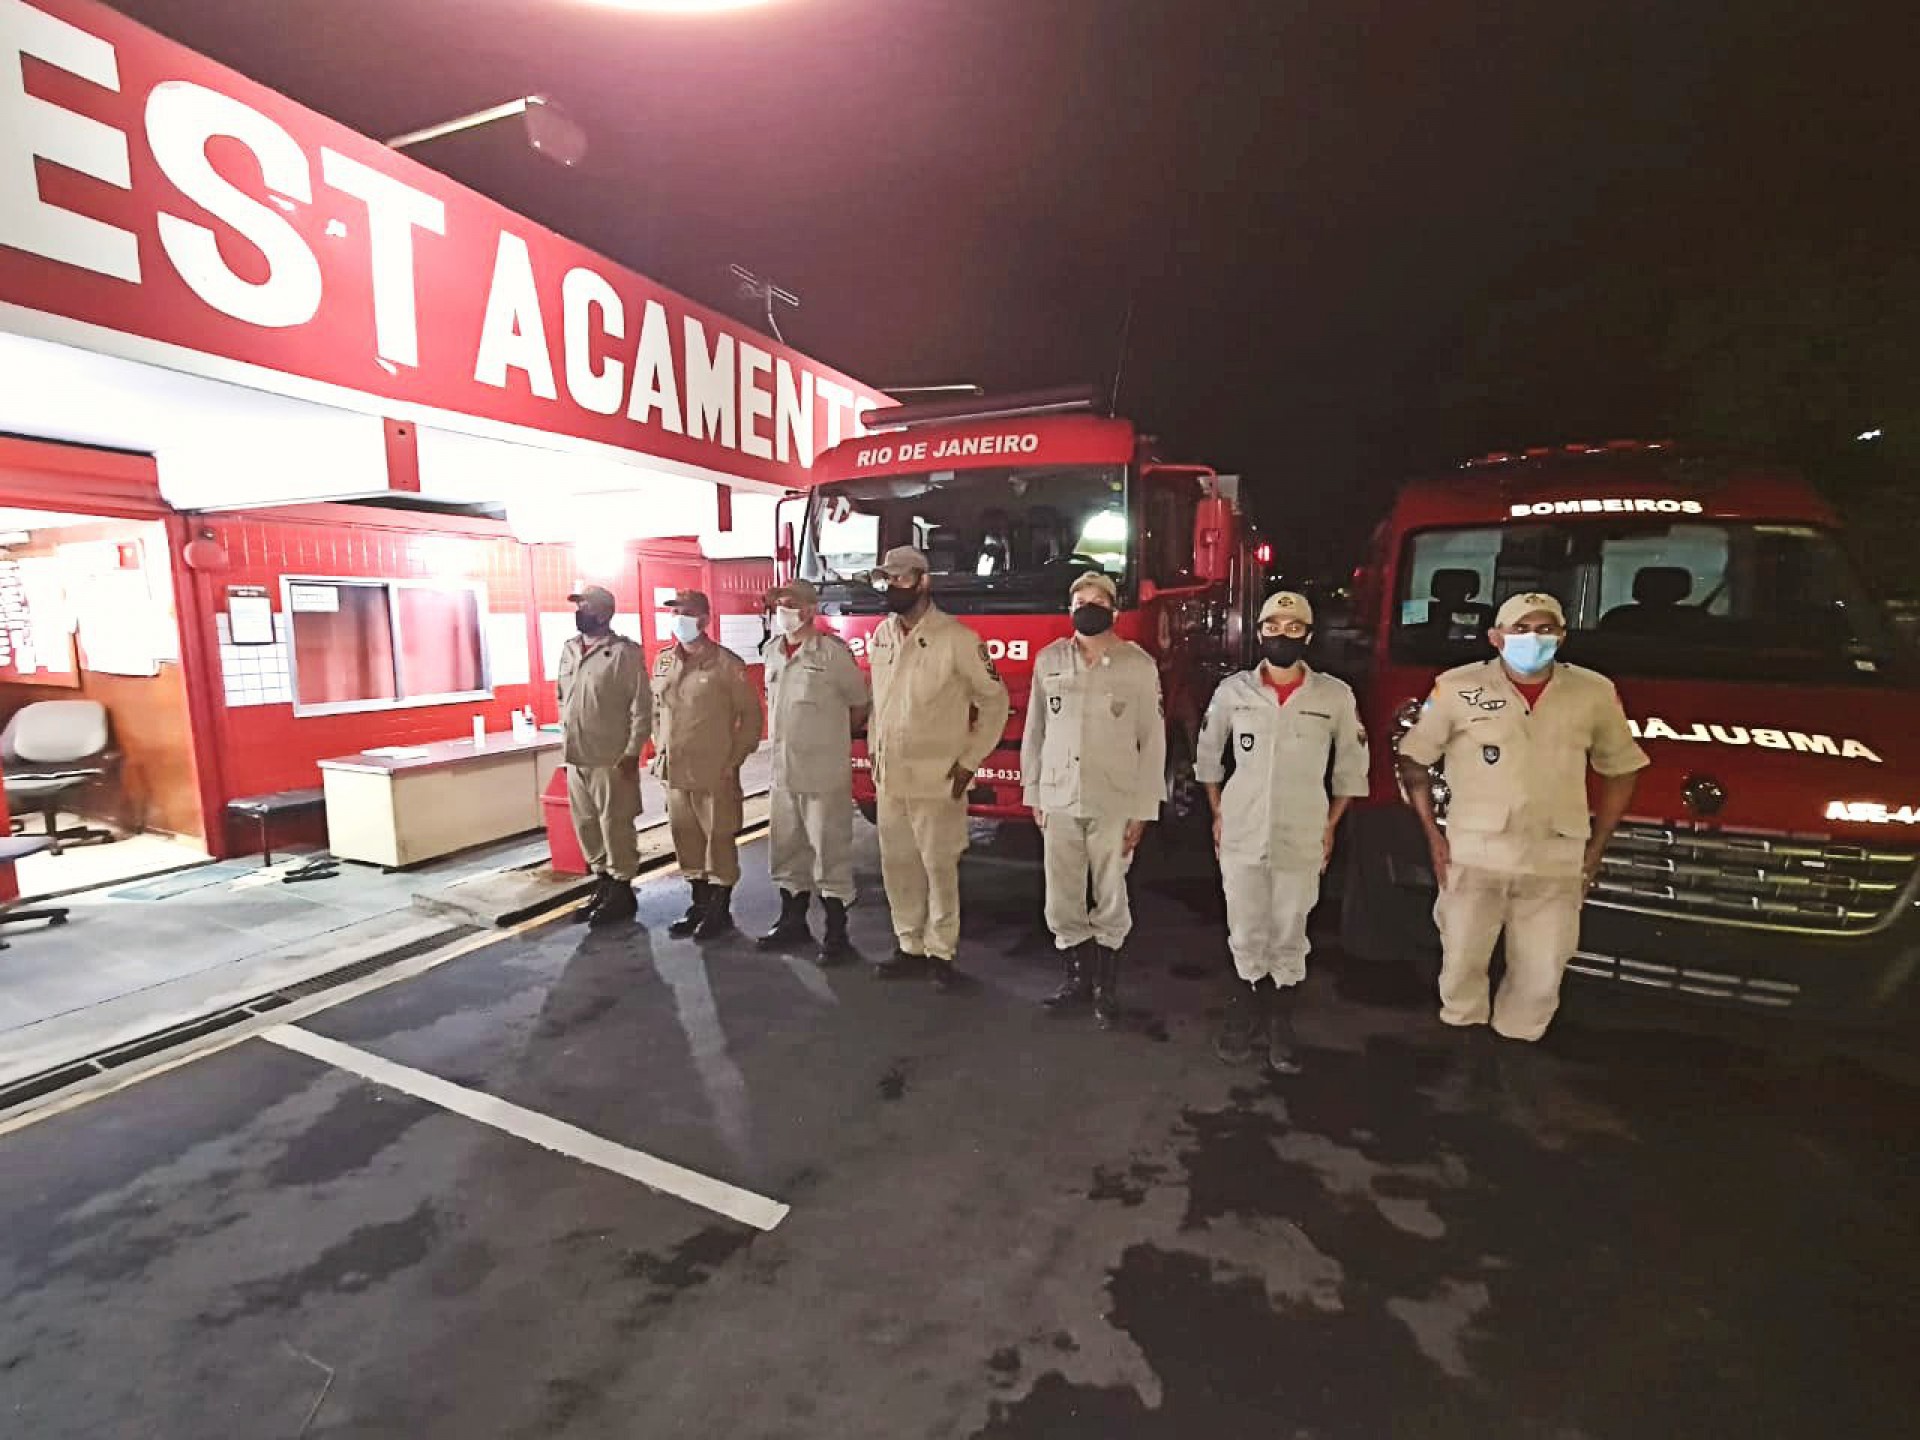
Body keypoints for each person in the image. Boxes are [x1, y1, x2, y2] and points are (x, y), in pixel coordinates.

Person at [1395, 591, 1648, 1053]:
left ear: (1563, 635)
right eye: (1521, 629)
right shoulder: (1455, 686)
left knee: (1542, 972)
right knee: (1460, 964)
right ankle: (1461, 1052)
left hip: (1554, 855)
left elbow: (1622, 769)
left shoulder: (1593, 692)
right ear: (1496, 637)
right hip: (1473, 852)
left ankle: (1512, 1058)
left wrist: (1597, 848)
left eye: (1546, 628)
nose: (1534, 638)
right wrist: (1433, 834)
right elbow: (1414, 759)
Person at [1196, 591, 1369, 1073]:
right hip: (1242, 826)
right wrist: (1216, 812)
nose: (1282, 635)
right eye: (1273, 626)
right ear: (1259, 633)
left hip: (1303, 828)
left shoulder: (1333, 695)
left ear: (1309, 636)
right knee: (1246, 926)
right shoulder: (1234, 692)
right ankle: (1245, 1012)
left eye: (1294, 628)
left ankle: (1281, 1021)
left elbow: (1352, 769)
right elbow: (1209, 756)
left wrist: (1332, 825)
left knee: (1291, 927)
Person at [1020, 571, 1166, 1028]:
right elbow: (1035, 732)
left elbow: (1153, 741)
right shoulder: (1049, 661)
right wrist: (1034, 792)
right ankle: (1076, 981)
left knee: (1110, 895)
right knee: (1061, 898)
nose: (1087, 606)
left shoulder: (1138, 665)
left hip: (1114, 800)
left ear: (1114, 610)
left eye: (1097, 600)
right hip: (1060, 797)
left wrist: (1143, 809)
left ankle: (1107, 987)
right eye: (1078, 599)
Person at [865, 545, 1011, 990]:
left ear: (924, 581)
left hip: (938, 778)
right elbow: (881, 704)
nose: (891, 587)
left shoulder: (958, 640)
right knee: (898, 866)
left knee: (939, 868)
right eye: (885, 579)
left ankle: (941, 952)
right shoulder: (881, 635)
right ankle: (908, 945)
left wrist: (970, 761)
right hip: (891, 777)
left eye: (901, 578)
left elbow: (995, 701)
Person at [757, 578, 870, 962]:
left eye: (787, 603)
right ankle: (792, 922)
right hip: (783, 773)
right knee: (787, 851)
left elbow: (858, 704)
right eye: (776, 604)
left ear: (807, 609)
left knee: (830, 852)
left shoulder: (832, 653)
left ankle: (837, 935)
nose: (780, 611)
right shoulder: (772, 651)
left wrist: (829, 740)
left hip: (823, 774)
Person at [650, 590, 764, 940]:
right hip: (675, 770)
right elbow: (657, 710)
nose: (678, 619)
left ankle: (719, 908)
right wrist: (659, 748)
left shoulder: (726, 664)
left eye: (685, 612)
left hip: (715, 770)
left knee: (719, 839)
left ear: (703, 619)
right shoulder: (663, 661)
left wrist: (734, 760)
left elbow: (751, 717)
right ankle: (698, 902)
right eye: (674, 612)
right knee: (686, 838)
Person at [556, 585, 652, 928]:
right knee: (586, 824)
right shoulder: (569, 650)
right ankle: (603, 881)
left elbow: (641, 706)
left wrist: (631, 751)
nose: (579, 611)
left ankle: (622, 888)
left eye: (585, 606)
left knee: (615, 825)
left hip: (611, 757)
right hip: (576, 756)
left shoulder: (623, 653)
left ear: (604, 613)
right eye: (578, 604)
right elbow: (562, 697)